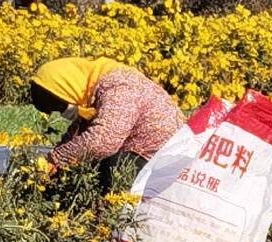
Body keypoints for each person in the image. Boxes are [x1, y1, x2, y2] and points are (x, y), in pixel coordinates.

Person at [31, 52, 188, 171]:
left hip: (162, 164)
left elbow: (102, 141)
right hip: (143, 156)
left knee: (113, 165)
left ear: (66, 89)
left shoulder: (120, 86)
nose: (63, 114)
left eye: (60, 107)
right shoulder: (90, 88)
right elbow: (77, 133)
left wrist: (55, 159)